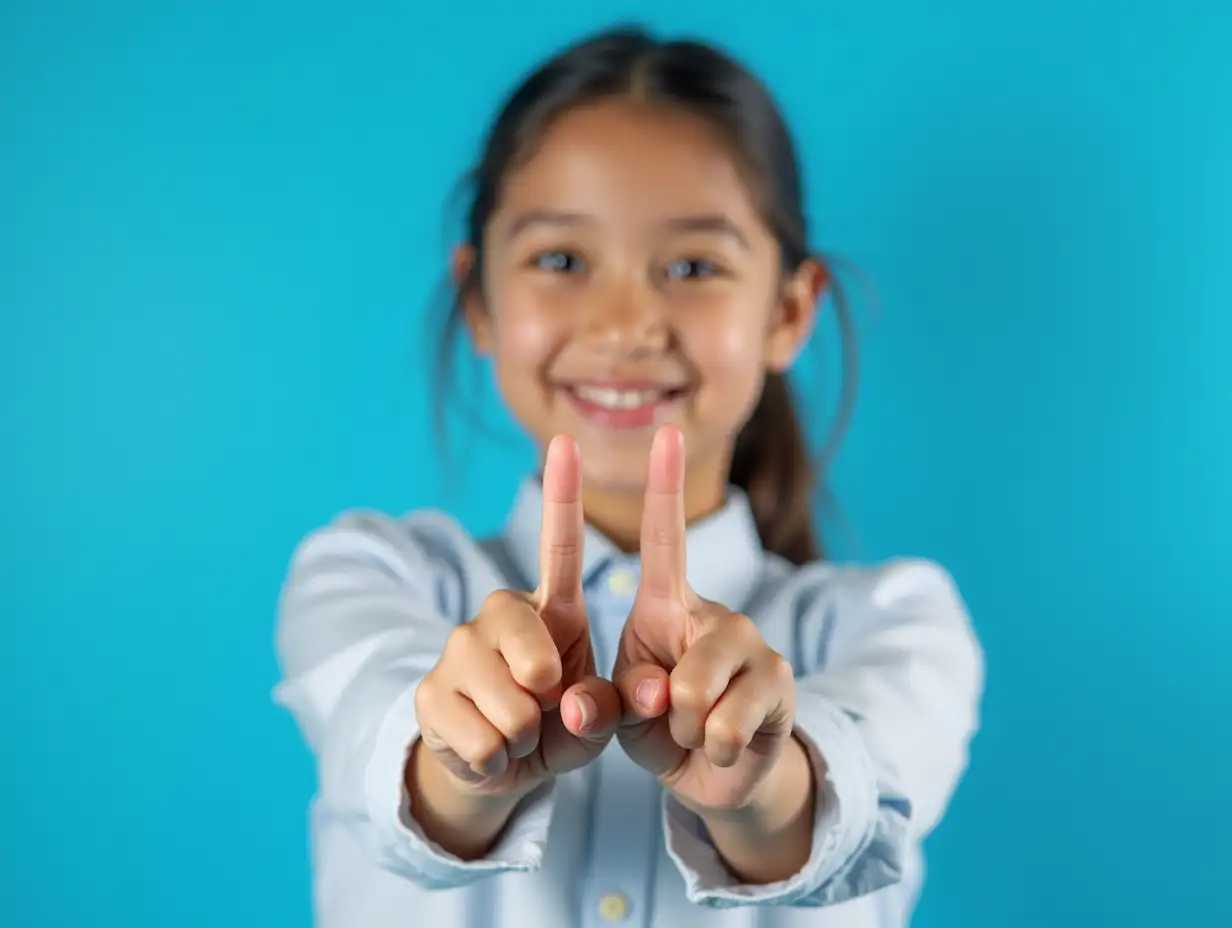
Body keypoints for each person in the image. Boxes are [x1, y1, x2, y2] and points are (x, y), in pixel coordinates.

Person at [273, 24, 984, 928]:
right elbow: (375, 744)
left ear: (790, 311)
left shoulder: (897, 623)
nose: (625, 321)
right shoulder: (367, 572)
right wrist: (466, 760)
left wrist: (756, 784)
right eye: (561, 260)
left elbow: (859, 786)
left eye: (693, 265)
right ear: (478, 300)